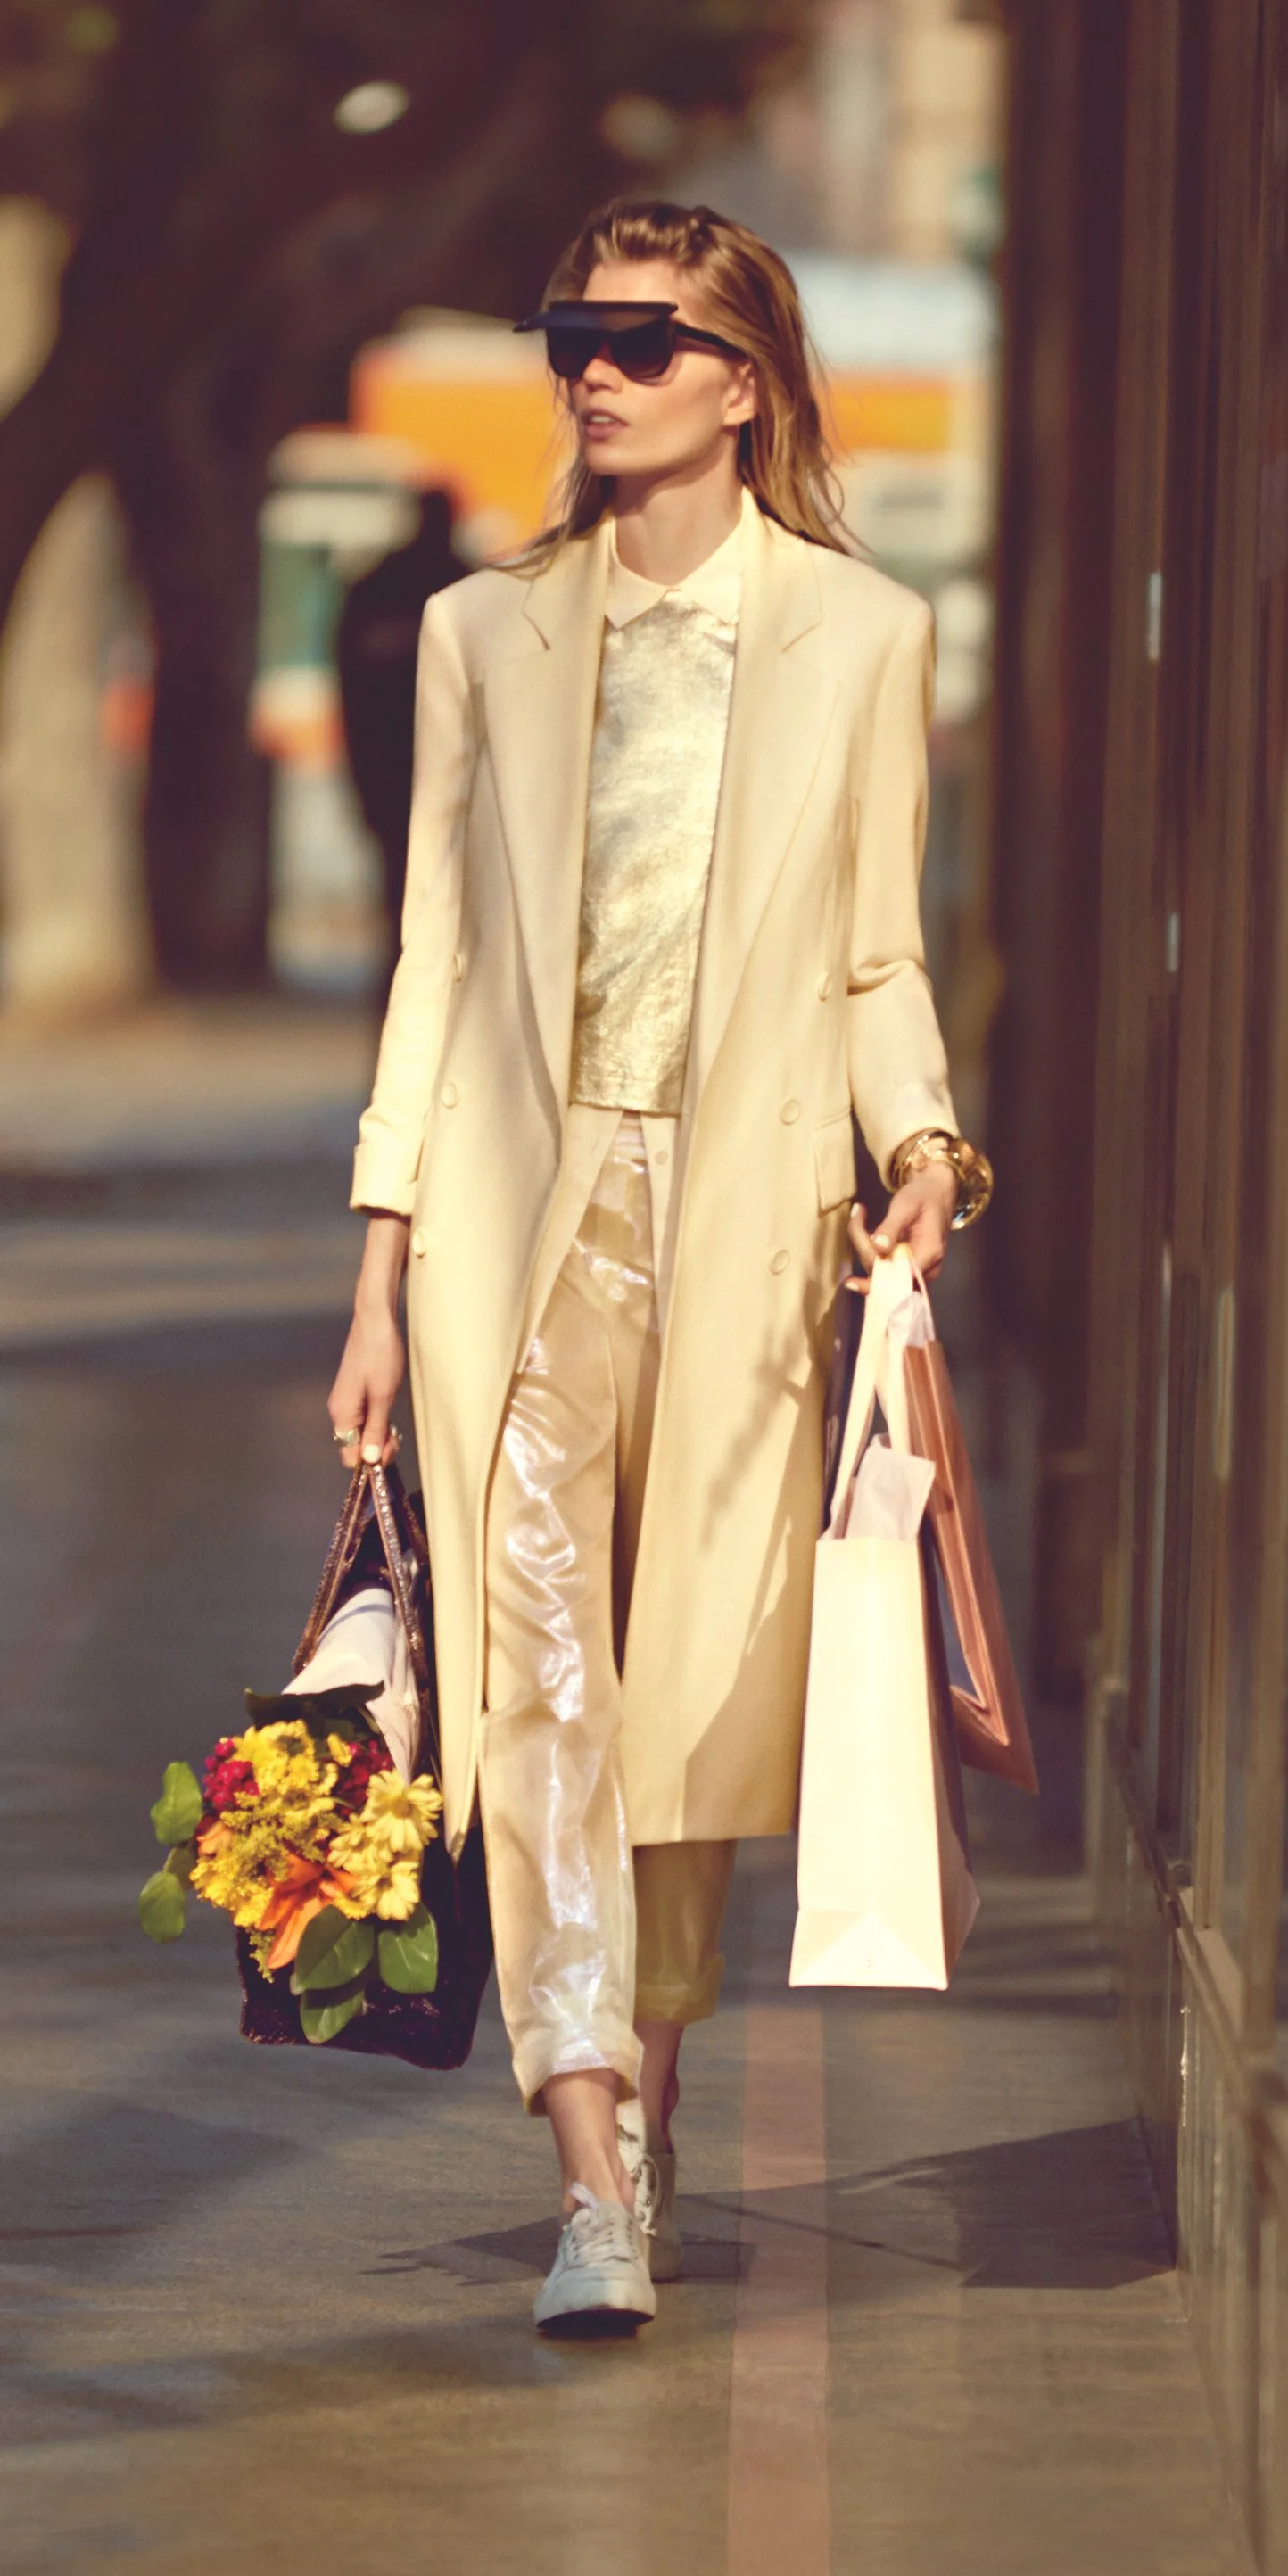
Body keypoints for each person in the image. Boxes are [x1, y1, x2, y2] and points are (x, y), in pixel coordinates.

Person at [326, 198, 992, 2333]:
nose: (590, 372)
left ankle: (657, 2069)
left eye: (638, 337)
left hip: (736, 1230)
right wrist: (374, 1264)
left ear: (743, 376)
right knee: (532, 1691)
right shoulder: (476, 635)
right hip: (511, 1238)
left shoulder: (858, 636)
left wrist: (925, 1137)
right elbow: (432, 963)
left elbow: (875, 950)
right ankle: (591, 2160)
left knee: (689, 1710)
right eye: (567, 337)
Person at [336, 487, 470, 969]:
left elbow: (349, 694)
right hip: (443, 779)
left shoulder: (374, 588)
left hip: (392, 777)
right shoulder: (469, 589)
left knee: (402, 916)